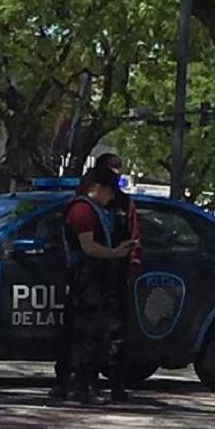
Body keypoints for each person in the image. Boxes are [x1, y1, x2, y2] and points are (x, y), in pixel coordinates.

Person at [60, 166, 137, 405]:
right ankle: (82, 386)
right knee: (86, 334)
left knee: (95, 333)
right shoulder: (83, 210)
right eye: (110, 192)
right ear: (99, 188)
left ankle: (86, 385)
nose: (112, 198)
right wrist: (115, 253)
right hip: (86, 278)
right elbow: (88, 247)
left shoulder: (98, 210)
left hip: (96, 277)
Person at [95, 153, 142, 401]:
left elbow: (135, 239)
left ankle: (116, 382)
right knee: (85, 332)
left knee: (117, 332)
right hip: (91, 275)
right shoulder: (88, 203)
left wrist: (131, 267)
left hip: (116, 275)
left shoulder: (124, 204)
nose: (117, 178)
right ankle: (77, 381)